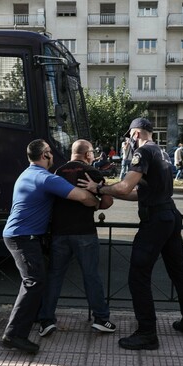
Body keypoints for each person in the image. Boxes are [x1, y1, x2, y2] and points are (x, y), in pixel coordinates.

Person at [78, 117, 183, 351]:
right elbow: (138, 193)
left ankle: (147, 333)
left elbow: (126, 186)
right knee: (178, 271)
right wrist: (111, 193)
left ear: (135, 135)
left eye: (129, 137)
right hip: (170, 216)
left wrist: (99, 189)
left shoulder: (142, 154)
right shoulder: (161, 152)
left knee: (138, 275)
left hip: (156, 220)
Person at [1, 139, 99, 354]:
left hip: (23, 236)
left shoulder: (28, 173)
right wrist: (96, 199)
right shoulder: (44, 178)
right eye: (50, 151)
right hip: (22, 237)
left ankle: (31, 320)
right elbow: (82, 195)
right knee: (33, 281)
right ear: (45, 155)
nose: (53, 155)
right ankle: (14, 335)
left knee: (36, 280)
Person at [38, 140, 116, 337]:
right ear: (87, 154)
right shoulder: (93, 173)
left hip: (59, 233)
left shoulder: (57, 172)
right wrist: (95, 202)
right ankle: (101, 319)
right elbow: (107, 201)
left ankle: (46, 320)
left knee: (55, 276)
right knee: (91, 276)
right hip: (85, 233)